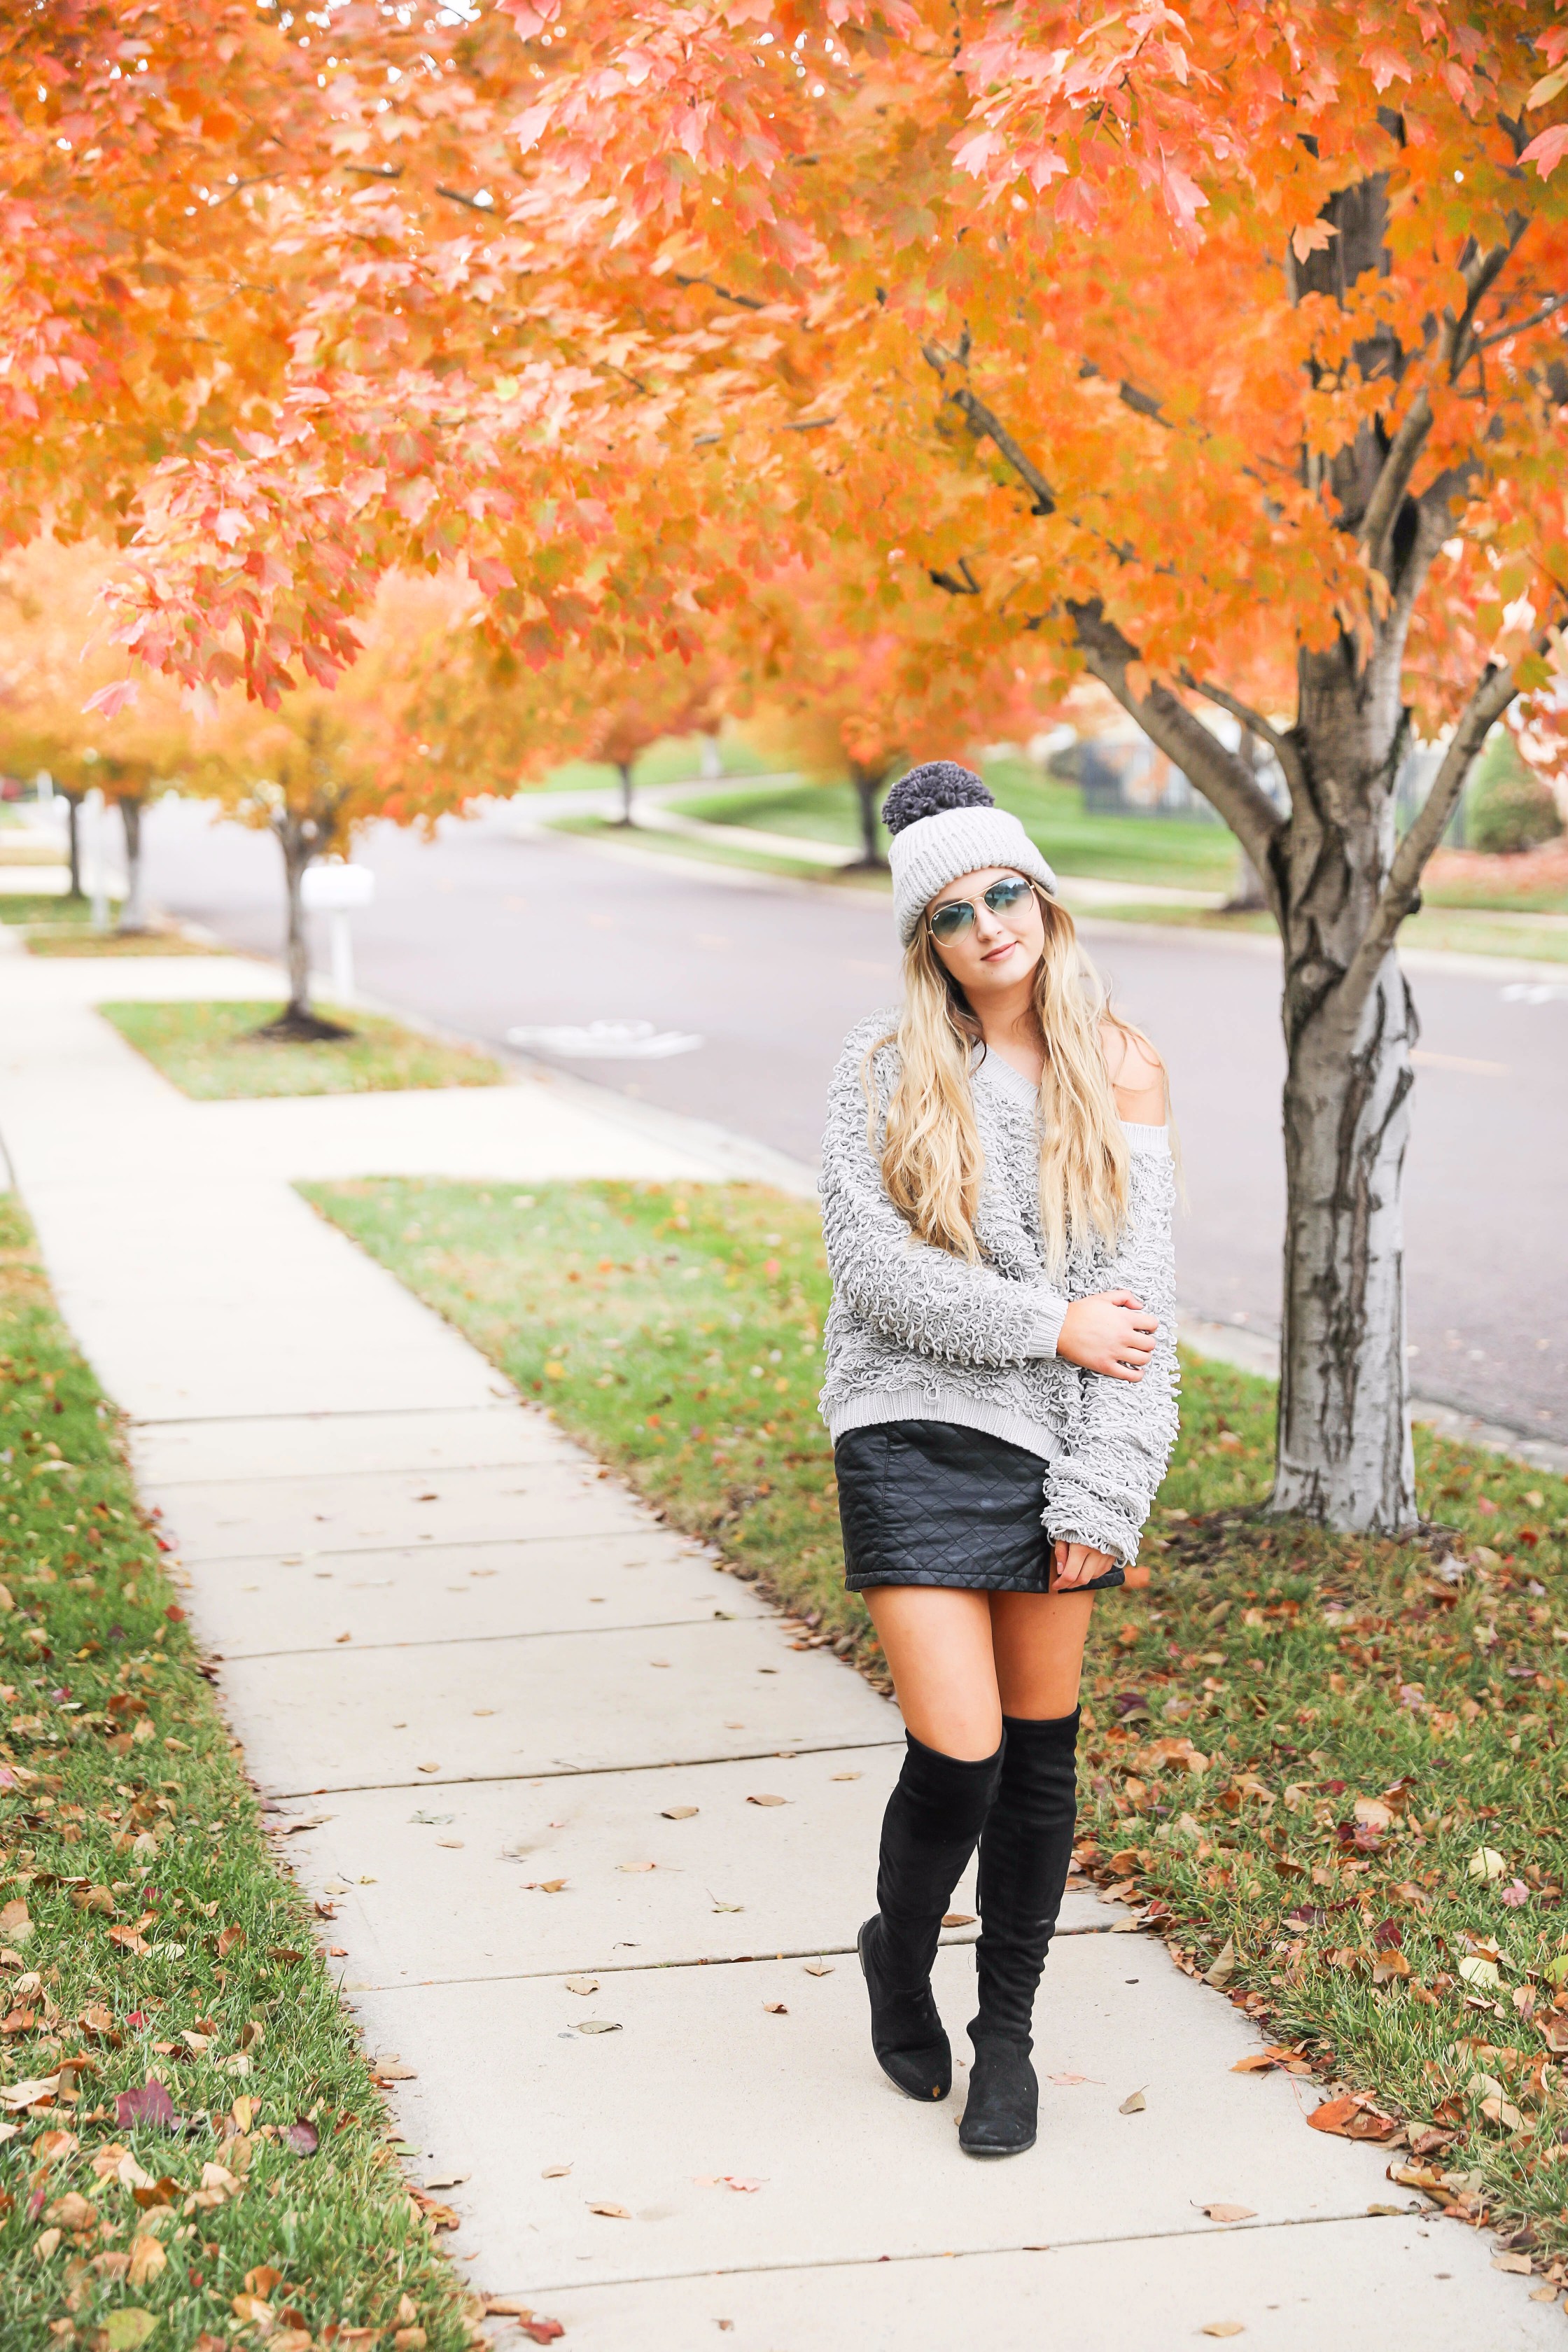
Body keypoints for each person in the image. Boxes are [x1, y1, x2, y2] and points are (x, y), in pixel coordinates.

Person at [818, 760, 1177, 2158]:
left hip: (1056, 1454)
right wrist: (1052, 1323)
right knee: (958, 1755)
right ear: (928, 943)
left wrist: (1103, 1490)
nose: (989, 926)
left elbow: (1135, 1311)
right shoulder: (885, 1070)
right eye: (955, 912)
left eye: (1005, 893)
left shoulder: (1123, 1066)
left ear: (1043, 896)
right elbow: (875, 1274)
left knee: (1039, 1763)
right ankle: (896, 1950)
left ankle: (1007, 2037)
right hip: (906, 1424)